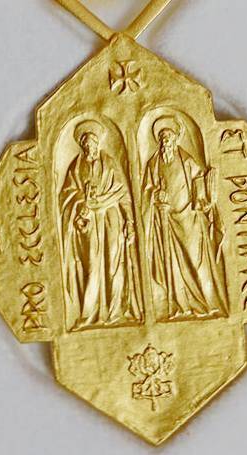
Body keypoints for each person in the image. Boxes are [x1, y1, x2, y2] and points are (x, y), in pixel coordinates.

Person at [142, 116, 227, 320]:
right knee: (172, 265)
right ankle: (180, 306)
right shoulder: (154, 163)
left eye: (168, 137)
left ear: (175, 140)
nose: (165, 141)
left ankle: (207, 303)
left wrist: (203, 198)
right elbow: (147, 189)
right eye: (162, 138)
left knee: (195, 261)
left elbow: (199, 181)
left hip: (188, 218)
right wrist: (156, 195)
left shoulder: (186, 160)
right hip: (166, 220)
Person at [60, 120, 142, 329]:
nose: (90, 147)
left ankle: (116, 311)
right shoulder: (76, 167)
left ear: (98, 144)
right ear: (82, 146)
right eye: (86, 144)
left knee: (113, 261)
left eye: (93, 143)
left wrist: (129, 221)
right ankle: (90, 314)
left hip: (111, 217)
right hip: (88, 221)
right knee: (92, 265)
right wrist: (81, 202)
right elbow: (67, 195)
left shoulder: (110, 163)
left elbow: (123, 194)